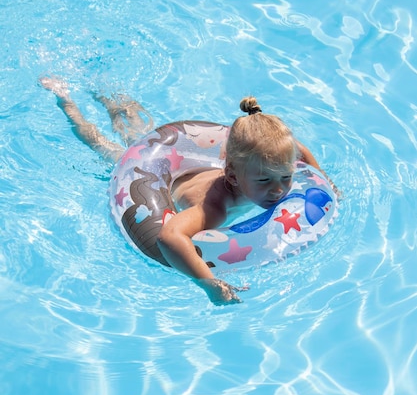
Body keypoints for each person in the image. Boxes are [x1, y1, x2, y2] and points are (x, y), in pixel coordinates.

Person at [40, 76, 333, 306]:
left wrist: (327, 185)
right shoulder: (215, 210)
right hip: (147, 174)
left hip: (178, 161)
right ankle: (65, 97)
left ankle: (104, 89)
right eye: (265, 181)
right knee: (105, 145)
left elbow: (300, 151)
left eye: (285, 176)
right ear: (231, 174)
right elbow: (169, 237)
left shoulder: (273, 164)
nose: (279, 189)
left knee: (132, 126)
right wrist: (209, 285)